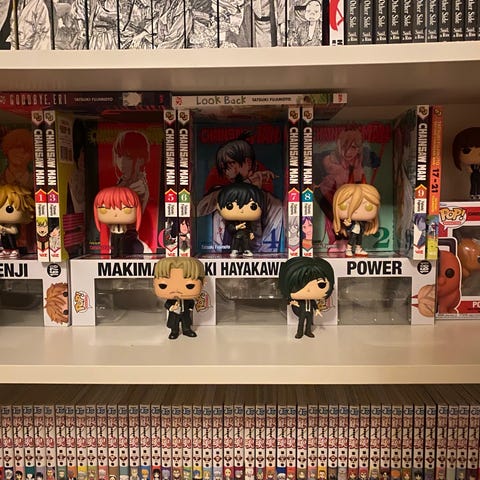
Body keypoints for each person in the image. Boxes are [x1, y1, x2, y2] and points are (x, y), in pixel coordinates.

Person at [278, 256, 335, 339]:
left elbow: (314, 304)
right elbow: (291, 302)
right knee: (301, 322)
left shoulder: (311, 300)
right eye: (298, 286)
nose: (308, 290)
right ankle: (299, 332)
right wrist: (292, 302)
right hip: (302, 312)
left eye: (321, 285)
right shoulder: (299, 300)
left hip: (310, 313)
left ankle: (308, 331)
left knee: (309, 322)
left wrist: (317, 310)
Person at [153, 257, 206, 340]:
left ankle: (186, 330)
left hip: (185, 313)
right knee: (174, 324)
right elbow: (167, 304)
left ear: (203, 283)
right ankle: (174, 331)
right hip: (174, 314)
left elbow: (191, 303)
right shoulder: (171, 300)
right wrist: (172, 307)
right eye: (163, 285)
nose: (177, 290)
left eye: (190, 286)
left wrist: (190, 309)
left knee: (186, 322)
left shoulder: (188, 300)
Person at [216, 182, 265, 257]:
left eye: (253, 206)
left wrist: (251, 233)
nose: (241, 210)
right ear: (218, 207)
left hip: (245, 235)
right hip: (237, 235)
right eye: (230, 206)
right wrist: (237, 227)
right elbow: (230, 228)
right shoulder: (232, 222)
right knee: (236, 243)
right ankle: (234, 251)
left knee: (246, 244)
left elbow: (250, 227)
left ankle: (247, 250)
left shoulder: (248, 222)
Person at [332, 183, 380, 257]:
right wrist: (348, 225)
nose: (356, 211)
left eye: (368, 207)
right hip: (353, 231)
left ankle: (358, 249)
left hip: (359, 231)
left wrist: (369, 222)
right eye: (344, 206)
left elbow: (363, 224)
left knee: (359, 240)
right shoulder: (350, 222)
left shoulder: (362, 222)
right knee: (351, 240)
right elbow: (349, 227)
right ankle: (348, 249)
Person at [93, 186, 142, 257]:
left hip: (122, 233)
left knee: (121, 244)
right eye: (103, 210)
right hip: (114, 233)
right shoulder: (112, 225)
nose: (115, 214)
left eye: (127, 210)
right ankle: (114, 254)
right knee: (114, 244)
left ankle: (121, 254)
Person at [0, 183, 35, 258]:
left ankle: (14, 249)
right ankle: (6, 249)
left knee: (11, 240)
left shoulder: (11, 225)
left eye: (9, 209)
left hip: (10, 234)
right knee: (4, 240)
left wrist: (4, 229)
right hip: (4, 234)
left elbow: (14, 231)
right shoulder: (3, 224)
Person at [452, 127, 480, 199]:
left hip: (478, 174)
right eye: (466, 150)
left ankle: (478, 194)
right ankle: (473, 194)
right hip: (473, 174)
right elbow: (469, 169)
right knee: (473, 184)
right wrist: (470, 169)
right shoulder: (470, 166)